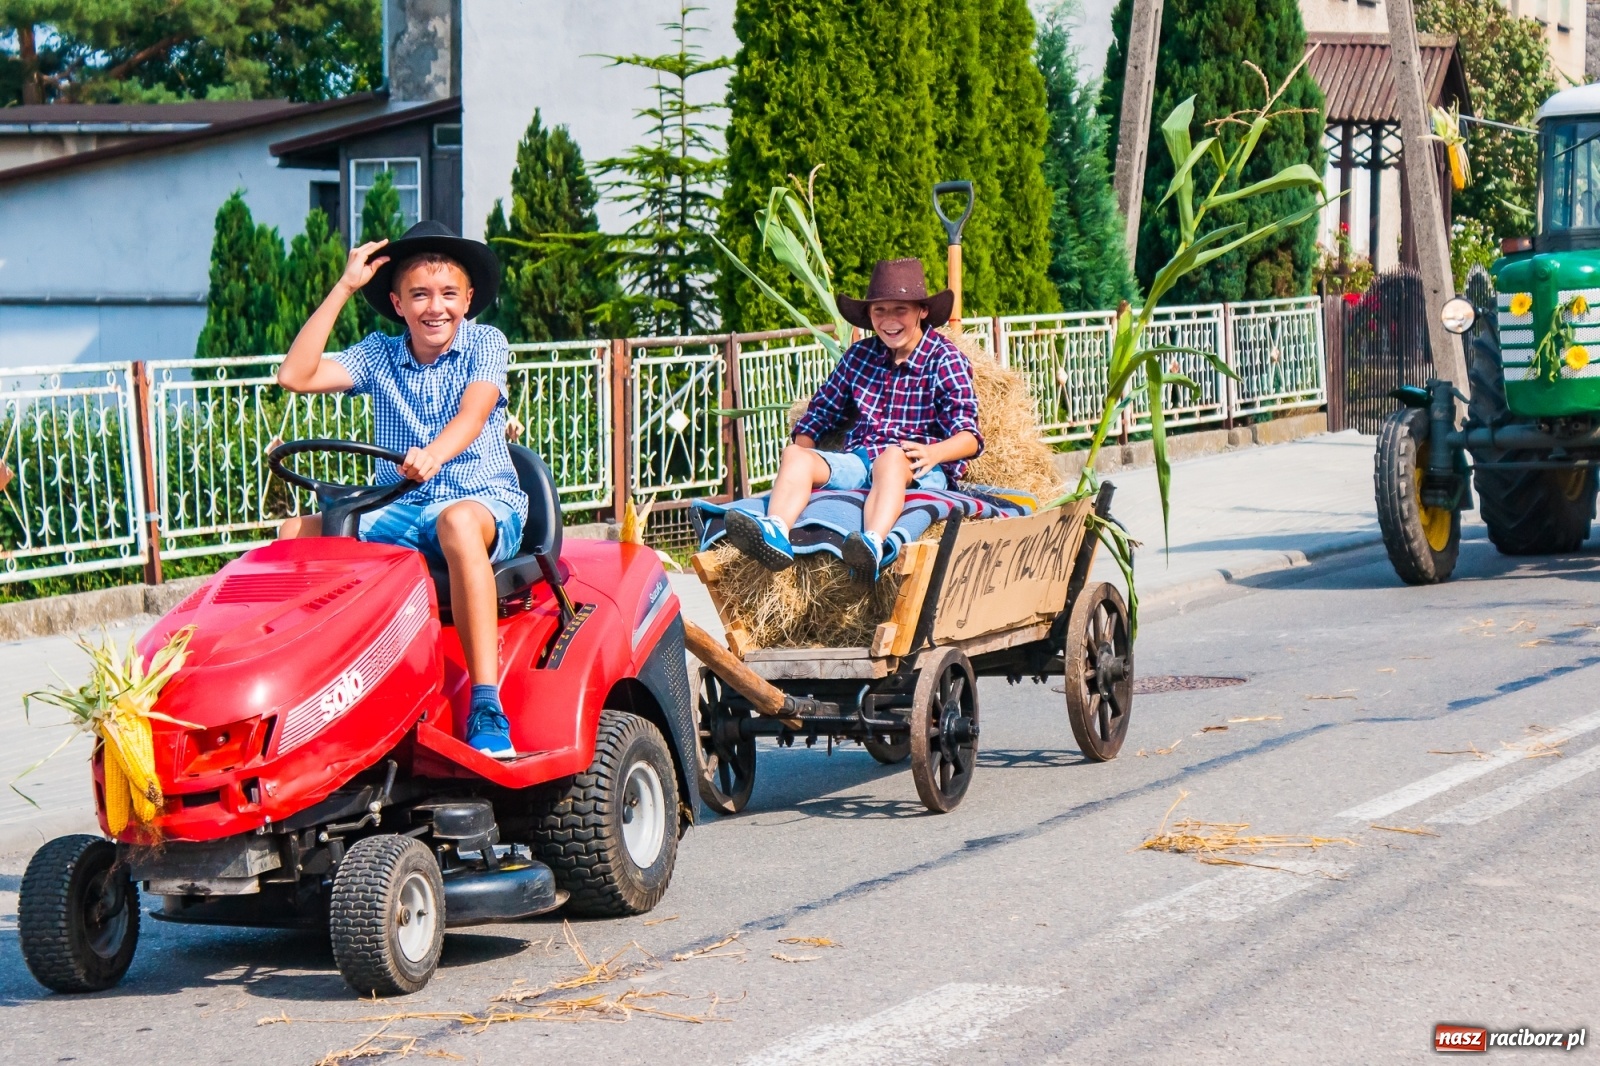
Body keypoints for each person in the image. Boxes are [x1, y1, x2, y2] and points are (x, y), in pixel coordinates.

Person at [276, 221, 528, 758]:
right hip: (403, 507)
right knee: (295, 533)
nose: (434, 307)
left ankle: (486, 705)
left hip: (483, 501)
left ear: (468, 300)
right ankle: (314, 696)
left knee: (456, 521)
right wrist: (344, 287)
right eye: (419, 294)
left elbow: (474, 411)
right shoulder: (379, 356)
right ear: (397, 303)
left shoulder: (486, 343)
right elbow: (294, 375)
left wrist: (434, 454)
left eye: (447, 295)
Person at [724, 257, 983, 581]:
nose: (889, 320)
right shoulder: (859, 357)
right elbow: (819, 413)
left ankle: (871, 547)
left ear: (922, 310)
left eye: (900, 310)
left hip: (917, 464)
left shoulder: (944, 358)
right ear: (869, 315)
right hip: (860, 460)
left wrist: (934, 453)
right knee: (795, 455)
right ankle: (776, 532)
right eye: (880, 311)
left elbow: (970, 435)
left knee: (890, 458)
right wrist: (803, 456)